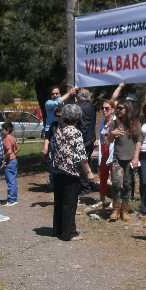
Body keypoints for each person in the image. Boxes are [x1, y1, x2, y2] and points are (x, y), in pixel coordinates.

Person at [51, 103, 95, 241]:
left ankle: (58, 229)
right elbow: (82, 156)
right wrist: (89, 173)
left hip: (57, 171)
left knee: (59, 201)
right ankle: (68, 233)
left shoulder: (58, 129)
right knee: (69, 204)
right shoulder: (75, 132)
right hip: (71, 172)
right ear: (78, 117)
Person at [108, 101, 140, 221]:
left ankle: (125, 210)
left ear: (127, 109)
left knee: (127, 185)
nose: (118, 110)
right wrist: (112, 134)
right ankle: (115, 209)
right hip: (117, 158)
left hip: (130, 159)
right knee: (116, 184)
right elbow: (109, 141)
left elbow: (138, 141)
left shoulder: (135, 123)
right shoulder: (114, 123)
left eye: (121, 108)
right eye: (117, 108)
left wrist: (136, 157)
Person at [76, 88, 97, 194]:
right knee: (86, 162)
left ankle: (85, 187)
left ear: (80, 97)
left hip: (84, 139)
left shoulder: (80, 108)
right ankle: (89, 185)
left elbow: (83, 126)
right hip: (91, 137)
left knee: (82, 163)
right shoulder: (92, 106)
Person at [1, 121, 19, 206]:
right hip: (14, 161)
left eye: (2, 129)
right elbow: (17, 149)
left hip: (9, 161)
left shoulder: (6, 138)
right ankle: (14, 198)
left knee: (10, 181)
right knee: (13, 180)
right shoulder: (13, 137)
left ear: (7, 130)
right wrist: (14, 155)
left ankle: (11, 200)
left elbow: (9, 151)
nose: (1, 131)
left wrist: (4, 158)